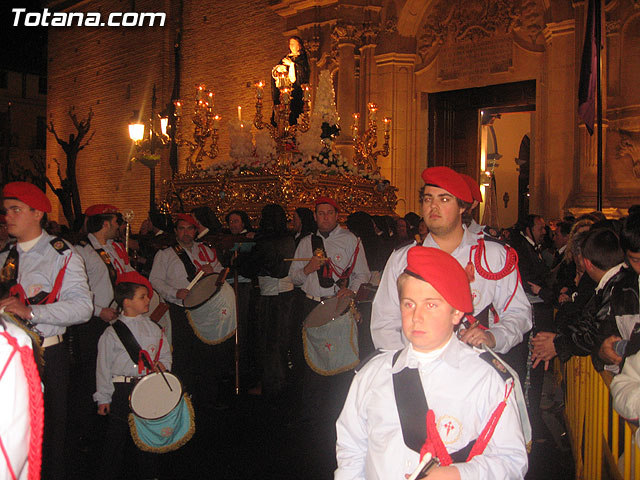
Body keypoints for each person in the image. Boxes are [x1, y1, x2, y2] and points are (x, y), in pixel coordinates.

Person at [335, 246, 528, 479]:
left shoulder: (484, 378)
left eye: (431, 305)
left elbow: (511, 460)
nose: (417, 316)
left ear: (456, 313)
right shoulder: (373, 374)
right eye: (409, 304)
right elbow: (351, 449)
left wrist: (458, 474)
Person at [371, 167, 531, 374]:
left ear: (462, 207)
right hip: (417, 370)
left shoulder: (492, 255)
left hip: (476, 371)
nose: (433, 207)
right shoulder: (403, 258)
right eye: (428, 199)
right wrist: (403, 368)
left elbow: (518, 313)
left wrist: (494, 337)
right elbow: (385, 320)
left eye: (444, 200)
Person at [0, 181, 93, 480]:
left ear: (38, 213)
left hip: (46, 356)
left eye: (16, 210)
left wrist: (31, 312)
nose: (8, 216)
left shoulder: (62, 255)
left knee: (48, 436)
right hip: (7, 356)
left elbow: (83, 308)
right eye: (6, 211)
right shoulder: (4, 257)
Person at [289, 197, 370, 422]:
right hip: (311, 304)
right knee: (312, 360)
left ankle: (340, 412)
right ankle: (312, 414)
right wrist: (307, 269)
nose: (325, 217)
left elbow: (362, 273)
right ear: (314, 216)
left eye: (329, 213)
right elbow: (293, 277)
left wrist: (351, 291)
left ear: (337, 215)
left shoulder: (350, 239)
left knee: (340, 358)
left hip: (337, 304)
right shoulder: (306, 241)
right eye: (320, 213)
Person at [94, 271, 171, 480]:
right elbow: (103, 368)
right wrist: (104, 397)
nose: (148, 300)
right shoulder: (111, 333)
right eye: (142, 297)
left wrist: (163, 365)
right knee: (115, 439)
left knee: (147, 436)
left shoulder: (154, 328)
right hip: (121, 389)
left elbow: (164, 353)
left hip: (146, 388)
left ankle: (150, 474)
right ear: (127, 302)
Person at [73, 204, 137, 452]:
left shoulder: (113, 249)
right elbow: (75, 290)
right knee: (91, 377)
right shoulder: (83, 252)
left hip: (116, 318)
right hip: (93, 321)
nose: (119, 227)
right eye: (116, 222)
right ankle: (86, 432)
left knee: (112, 374)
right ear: (106, 223)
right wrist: (99, 310)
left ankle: (110, 425)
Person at [149, 213, 224, 406]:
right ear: (175, 231)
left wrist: (213, 272)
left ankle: (208, 396)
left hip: (205, 309)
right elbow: (155, 280)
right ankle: (183, 395)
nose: (186, 233)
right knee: (183, 353)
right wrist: (175, 292)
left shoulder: (206, 252)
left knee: (206, 351)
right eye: (181, 229)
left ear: (195, 231)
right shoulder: (165, 254)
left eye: (189, 228)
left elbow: (221, 273)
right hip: (180, 309)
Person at [239, 204, 296, 398]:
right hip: (285, 296)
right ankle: (278, 383)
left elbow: (254, 265)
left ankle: (271, 386)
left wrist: (238, 260)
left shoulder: (267, 241)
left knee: (269, 342)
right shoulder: (288, 238)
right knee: (279, 342)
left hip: (272, 297)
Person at [271, 36, 310, 126]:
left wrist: (292, 65)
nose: (291, 46)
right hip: (283, 90)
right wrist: (278, 69)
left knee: (293, 112)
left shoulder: (302, 59)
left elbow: (303, 73)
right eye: (290, 44)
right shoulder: (285, 58)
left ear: (299, 46)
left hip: (295, 91)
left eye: (293, 44)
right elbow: (276, 71)